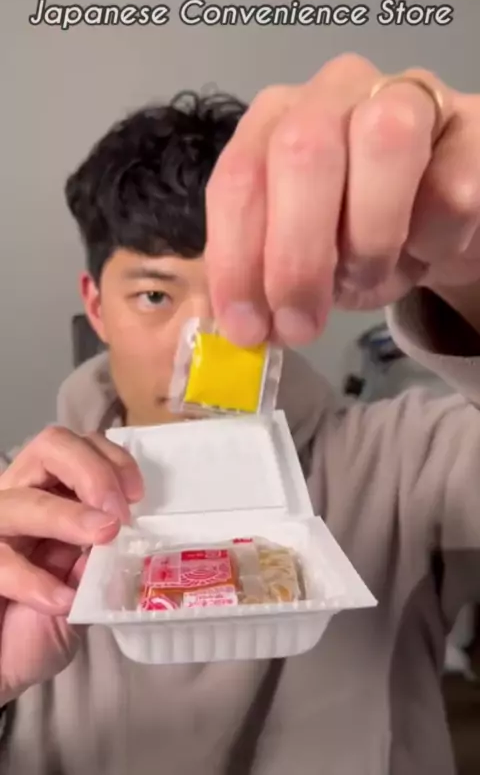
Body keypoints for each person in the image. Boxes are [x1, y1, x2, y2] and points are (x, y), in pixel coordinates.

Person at [1, 53, 480, 775]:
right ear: (95, 305)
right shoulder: (18, 515)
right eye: (155, 296)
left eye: (238, 291)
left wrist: (471, 269)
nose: (202, 344)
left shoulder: (408, 462)